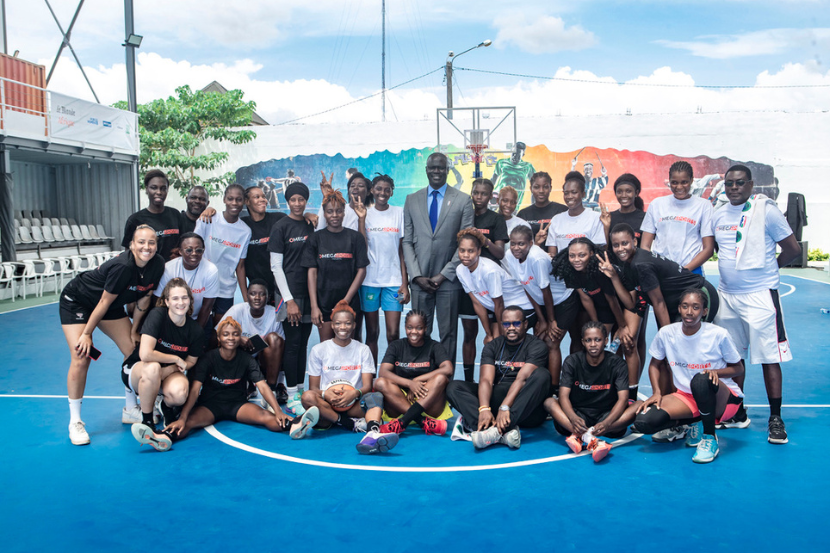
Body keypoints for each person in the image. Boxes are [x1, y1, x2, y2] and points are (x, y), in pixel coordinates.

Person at [711, 164, 802, 444]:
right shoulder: (718, 214)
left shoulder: (767, 212)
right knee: (732, 358)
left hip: (760, 296)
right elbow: (719, 250)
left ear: (751, 185)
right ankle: (737, 412)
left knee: (768, 357)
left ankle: (775, 418)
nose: (734, 188)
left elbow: (793, 249)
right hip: (727, 296)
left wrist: (768, 270)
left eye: (740, 183)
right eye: (729, 184)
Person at [61, 224, 165, 445]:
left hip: (110, 305)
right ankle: (75, 421)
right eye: (141, 242)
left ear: (157, 245)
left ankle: (130, 408)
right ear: (131, 245)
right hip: (79, 301)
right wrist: (87, 333)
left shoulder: (157, 264)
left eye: (151, 242)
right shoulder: (123, 267)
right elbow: (102, 302)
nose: (146, 247)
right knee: (81, 357)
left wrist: (135, 330)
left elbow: (144, 299)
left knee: (133, 351)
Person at [144, 317, 292, 451]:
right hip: (210, 406)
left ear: (240, 337)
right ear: (219, 338)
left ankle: (294, 426)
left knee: (265, 416)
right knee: (187, 423)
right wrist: (182, 416)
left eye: (235, 334)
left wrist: (278, 410)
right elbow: (195, 391)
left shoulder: (247, 360)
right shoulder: (208, 359)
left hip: (238, 405)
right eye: (226, 334)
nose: (231, 338)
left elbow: (263, 386)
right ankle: (164, 438)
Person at [634, 289, 745, 463]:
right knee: (644, 421)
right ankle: (692, 424)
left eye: (695, 307)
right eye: (685, 306)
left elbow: (738, 368)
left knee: (701, 379)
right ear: (679, 308)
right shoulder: (667, 333)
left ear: (704, 311)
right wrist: (657, 393)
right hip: (687, 396)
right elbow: (655, 365)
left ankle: (709, 438)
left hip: (723, 398)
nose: (689, 312)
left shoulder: (718, 334)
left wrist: (715, 372)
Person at [290, 301, 400, 454]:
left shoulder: (363, 350)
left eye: (347, 323)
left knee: (376, 396)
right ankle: (348, 424)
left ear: (354, 325)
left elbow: (367, 386)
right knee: (308, 397)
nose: (343, 327)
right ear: (333, 326)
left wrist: (354, 393)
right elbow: (314, 388)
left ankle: (372, 433)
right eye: (338, 323)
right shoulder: (319, 350)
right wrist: (325, 394)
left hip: (353, 404)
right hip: (328, 404)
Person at [402, 152, 475, 368]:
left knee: (448, 334)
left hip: (449, 281)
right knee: (419, 333)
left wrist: (443, 275)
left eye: (441, 168)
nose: (437, 171)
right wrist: (416, 276)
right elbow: (407, 241)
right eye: (433, 167)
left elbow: (466, 242)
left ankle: (446, 383)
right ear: (426, 169)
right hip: (420, 281)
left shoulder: (463, 200)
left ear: (447, 170)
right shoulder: (411, 199)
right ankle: (422, 379)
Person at [446, 305, 550, 449]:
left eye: (516, 323)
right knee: (453, 387)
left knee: (542, 375)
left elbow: (522, 379)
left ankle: (497, 429)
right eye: (506, 324)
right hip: (498, 401)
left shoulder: (537, 346)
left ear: (525, 324)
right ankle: (495, 431)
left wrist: (505, 407)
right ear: (502, 325)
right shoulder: (493, 346)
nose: (511, 328)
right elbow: (486, 380)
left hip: (525, 407)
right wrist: (484, 409)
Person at [545, 322, 641, 462]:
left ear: (606, 341)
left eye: (598, 339)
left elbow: (623, 399)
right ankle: (591, 439)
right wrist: (572, 417)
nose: (593, 344)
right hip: (577, 417)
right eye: (588, 340)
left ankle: (580, 436)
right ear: (583, 342)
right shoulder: (572, 361)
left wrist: (607, 423)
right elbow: (563, 396)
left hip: (607, 417)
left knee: (638, 404)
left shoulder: (617, 363)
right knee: (549, 402)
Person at [504, 225, 580, 394]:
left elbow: (546, 291)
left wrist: (551, 321)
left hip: (563, 300)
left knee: (552, 342)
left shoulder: (537, 259)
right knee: (540, 339)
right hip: (546, 303)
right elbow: (527, 287)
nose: (516, 248)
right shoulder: (510, 255)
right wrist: (542, 320)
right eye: (513, 243)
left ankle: (553, 390)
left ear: (531, 243)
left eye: (521, 244)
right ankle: (541, 383)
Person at [124, 278, 204, 440]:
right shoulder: (157, 315)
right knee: (152, 368)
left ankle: (165, 406)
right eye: (175, 298)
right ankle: (147, 423)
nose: (180, 302)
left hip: (167, 373)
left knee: (180, 393)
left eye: (184, 298)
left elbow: (191, 361)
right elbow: (145, 354)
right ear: (166, 302)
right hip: (137, 370)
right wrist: (175, 358)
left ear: (190, 300)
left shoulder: (195, 330)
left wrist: (173, 367)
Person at [551, 238, 639, 382]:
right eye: (572, 255)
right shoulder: (571, 270)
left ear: (591, 254)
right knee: (596, 342)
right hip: (603, 305)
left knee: (625, 343)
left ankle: (628, 389)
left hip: (626, 303)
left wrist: (623, 326)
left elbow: (613, 301)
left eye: (581, 255)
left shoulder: (600, 270)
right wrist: (596, 325)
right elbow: (586, 299)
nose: (576, 259)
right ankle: (593, 382)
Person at [269, 182, 316, 410]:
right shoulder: (280, 227)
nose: (298, 204)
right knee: (293, 344)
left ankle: (299, 389)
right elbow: (276, 267)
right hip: (288, 296)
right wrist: (289, 300)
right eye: (293, 200)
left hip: (308, 293)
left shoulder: (310, 224)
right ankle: (291, 394)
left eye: (301, 200)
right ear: (287, 202)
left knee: (303, 342)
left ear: (306, 200)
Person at [374, 310, 454, 437]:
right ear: (405, 327)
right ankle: (422, 421)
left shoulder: (434, 346)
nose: (414, 332)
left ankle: (403, 422)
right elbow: (383, 372)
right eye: (410, 328)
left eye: (419, 328)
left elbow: (448, 369)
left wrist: (416, 381)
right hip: (400, 400)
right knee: (380, 382)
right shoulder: (397, 345)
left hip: (426, 398)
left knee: (440, 378)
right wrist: (409, 384)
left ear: (426, 328)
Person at [459, 179, 509, 382]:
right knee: (469, 334)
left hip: (490, 283)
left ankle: (495, 378)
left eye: (483, 194)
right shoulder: (464, 215)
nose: (479, 197)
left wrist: (483, 239)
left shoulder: (496, 219)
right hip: (471, 282)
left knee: (494, 337)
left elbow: (500, 253)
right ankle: (469, 380)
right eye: (476, 192)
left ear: (490, 197)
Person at [303, 189, 369, 342]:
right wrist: (314, 306)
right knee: (327, 347)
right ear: (324, 213)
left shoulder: (355, 238)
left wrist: (346, 300)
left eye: (338, 211)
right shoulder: (315, 239)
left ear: (344, 213)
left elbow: (362, 271)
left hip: (349, 301)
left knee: (348, 348)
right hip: (323, 301)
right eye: (330, 211)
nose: (334, 215)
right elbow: (312, 273)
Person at [357, 173, 409, 363]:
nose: (382, 192)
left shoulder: (398, 212)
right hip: (369, 281)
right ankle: (371, 379)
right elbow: (361, 246)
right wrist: (362, 219)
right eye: (378, 189)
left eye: (387, 189)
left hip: (393, 282)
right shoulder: (364, 213)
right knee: (372, 333)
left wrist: (405, 283)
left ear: (392, 192)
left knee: (393, 334)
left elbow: (402, 250)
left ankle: (391, 376)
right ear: (372, 190)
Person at [456, 228, 535, 348]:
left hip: (523, 307)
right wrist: (488, 333)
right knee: (492, 342)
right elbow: (477, 303)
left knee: (501, 342)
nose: (466, 255)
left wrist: (502, 332)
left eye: (471, 251)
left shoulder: (489, 270)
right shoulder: (460, 270)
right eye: (462, 251)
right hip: (503, 310)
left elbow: (499, 304)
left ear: (478, 251)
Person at [640, 161, 714, 275]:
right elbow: (645, 246)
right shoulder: (657, 204)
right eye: (674, 182)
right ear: (669, 181)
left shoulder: (704, 206)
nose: (679, 187)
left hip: (691, 272)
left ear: (692, 180)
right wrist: (655, 268)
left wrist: (683, 271)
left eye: (684, 182)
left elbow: (708, 249)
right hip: (661, 272)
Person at [195, 183, 251, 325]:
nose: (234, 203)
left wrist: (246, 300)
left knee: (220, 330)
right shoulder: (208, 219)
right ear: (224, 200)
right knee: (200, 326)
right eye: (230, 198)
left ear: (244, 201)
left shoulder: (245, 231)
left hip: (225, 289)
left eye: (238, 199)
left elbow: (240, 265)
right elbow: (193, 249)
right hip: (203, 285)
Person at [219, 280, 285, 396]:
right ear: (247, 295)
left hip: (264, 362)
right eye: (253, 293)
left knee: (275, 339)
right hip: (241, 359)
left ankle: (271, 390)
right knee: (230, 338)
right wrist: (238, 338)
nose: (257, 297)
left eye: (262, 294)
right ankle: (246, 384)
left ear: (268, 297)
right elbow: (218, 334)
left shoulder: (274, 315)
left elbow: (281, 348)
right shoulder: (237, 310)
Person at [153, 232, 219, 333]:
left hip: (198, 318)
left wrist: (195, 333)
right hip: (171, 318)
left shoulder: (211, 270)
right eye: (188, 250)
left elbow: (207, 307)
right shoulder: (168, 268)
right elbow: (158, 301)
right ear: (180, 251)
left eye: (199, 250)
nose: (194, 253)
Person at [122, 169, 183, 261]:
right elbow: (129, 252)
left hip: (174, 271)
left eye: (163, 188)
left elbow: (183, 242)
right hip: (149, 272)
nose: (159, 192)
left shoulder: (175, 214)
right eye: (154, 187)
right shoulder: (135, 219)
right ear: (147, 189)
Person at [544, 171, 606, 258]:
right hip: (562, 270)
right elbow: (553, 256)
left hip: (588, 270)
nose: (569, 196)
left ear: (583, 194)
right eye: (566, 193)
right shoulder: (556, 220)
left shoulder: (595, 218)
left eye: (574, 192)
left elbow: (598, 252)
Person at [516, 171, 567, 247]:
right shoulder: (523, 214)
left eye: (545, 187)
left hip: (559, 257)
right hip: (531, 257)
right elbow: (519, 243)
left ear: (550, 188)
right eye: (536, 187)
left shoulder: (562, 210)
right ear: (531, 189)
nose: (541, 191)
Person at [600, 173, 646, 245]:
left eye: (628, 191)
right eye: (619, 192)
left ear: (636, 193)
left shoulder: (645, 218)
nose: (623, 195)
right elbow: (604, 249)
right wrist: (606, 227)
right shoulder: (609, 218)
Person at [491, 141, 536, 209]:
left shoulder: (528, 167)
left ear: (523, 155)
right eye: (513, 154)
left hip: (514, 202)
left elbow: (535, 186)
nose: (515, 157)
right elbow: (492, 180)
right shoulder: (502, 163)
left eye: (518, 155)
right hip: (498, 198)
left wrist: (534, 205)